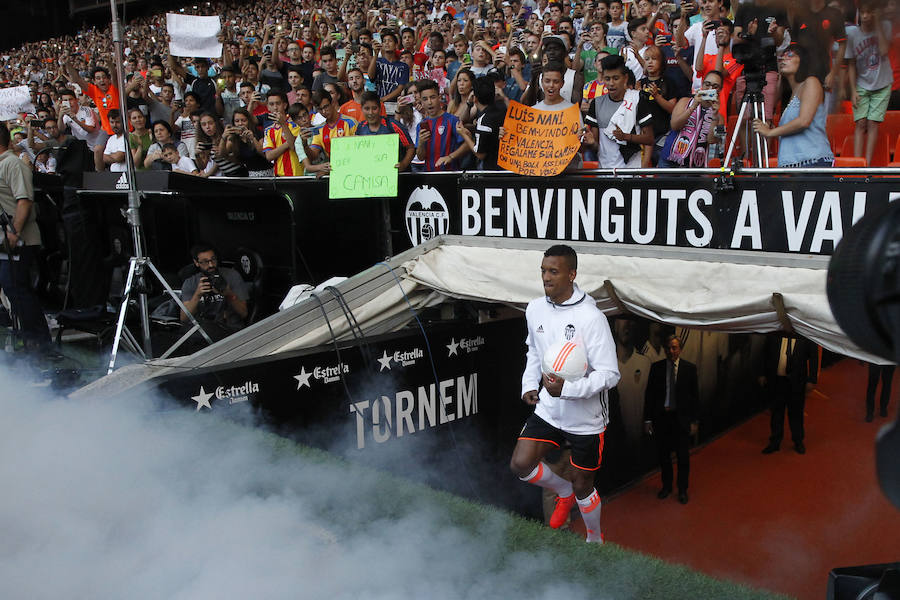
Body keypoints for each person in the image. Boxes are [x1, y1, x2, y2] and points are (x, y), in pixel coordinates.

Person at [509, 244, 620, 544]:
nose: (546, 277)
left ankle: (595, 539)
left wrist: (568, 389)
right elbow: (534, 350)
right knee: (520, 464)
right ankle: (562, 490)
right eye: (543, 271)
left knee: (584, 484)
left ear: (572, 274)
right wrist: (529, 384)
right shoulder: (535, 309)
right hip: (549, 409)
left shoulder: (592, 318)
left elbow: (610, 374)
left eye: (553, 272)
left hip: (585, 418)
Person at [0, 125, 52, 352]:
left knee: (16, 288)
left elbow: (24, 200)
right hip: (5, 241)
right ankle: (21, 339)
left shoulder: (12, 163)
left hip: (18, 240)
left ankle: (39, 344)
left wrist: (14, 232)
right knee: (10, 288)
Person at [752, 44, 834, 168]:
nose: (784, 59)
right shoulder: (791, 95)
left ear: (803, 61)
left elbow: (804, 121)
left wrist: (770, 132)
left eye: (790, 55)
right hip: (792, 165)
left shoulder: (811, 82)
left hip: (812, 163)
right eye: (782, 56)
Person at [643, 335, 699, 505]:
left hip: (681, 419)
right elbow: (649, 395)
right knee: (664, 456)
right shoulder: (656, 368)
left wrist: (695, 421)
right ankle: (666, 486)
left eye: (674, 348)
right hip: (662, 419)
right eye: (668, 348)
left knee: (683, 457)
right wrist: (647, 420)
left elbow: (695, 397)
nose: (671, 351)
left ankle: (682, 490)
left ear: (680, 349)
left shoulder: (689, 369)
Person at [583, 55, 654, 169]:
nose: (611, 83)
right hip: (605, 171)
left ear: (625, 78)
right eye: (607, 79)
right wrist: (590, 143)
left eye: (615, 78)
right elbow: (596, 144)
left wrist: (626, 137)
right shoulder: (597, 103)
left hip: (631, 170)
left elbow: (649, 138)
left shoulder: (637, 99)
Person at [845, 0, 893, 167]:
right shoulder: (851, 33)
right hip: (861, 84)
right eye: (863, 12)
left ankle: (869, 165)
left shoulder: (885, 26)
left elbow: (884, 50)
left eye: (869, 12)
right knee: (860, 123)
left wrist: (878, 23)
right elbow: (850, 64)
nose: (865, 16)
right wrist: (852, 90)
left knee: (873, 123)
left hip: (883, 83)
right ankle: (857, 166)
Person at [178, 242, 249, 351]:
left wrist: (228, 293)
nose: (211, 265)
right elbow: (184, 318)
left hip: (230, 330)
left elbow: (243, 313)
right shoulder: (190, 282)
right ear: (196, 263)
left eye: (213, 260)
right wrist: (197, 295)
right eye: (205, 262)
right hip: (202, 333)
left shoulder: (232, 276)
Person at [760, 335, 819, 455]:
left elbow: (814, 357)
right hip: (777, 380)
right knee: (776, 412)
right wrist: (762, 374)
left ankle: (798, 441)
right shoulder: (775, 334)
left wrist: (811, 380)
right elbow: (764, 354)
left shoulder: (805, 334)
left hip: (797, 381)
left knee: (796, 412)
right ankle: (775, 442)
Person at [355, 92, 415, 171]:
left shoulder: (393, 126)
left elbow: (411, 148)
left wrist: (403, 164)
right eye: (367, 108)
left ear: (380, 108)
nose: (371, 113)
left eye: (374, 108)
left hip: (396, 177)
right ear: (361, 109)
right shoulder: (360, 127)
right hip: (372, 176)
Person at [415, 80, 468, 171]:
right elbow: (421, 157)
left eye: (432, 97)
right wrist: (421, 143)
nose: (429, 102)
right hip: (429, 176)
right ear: (421, 102)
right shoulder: (421, 126)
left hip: (449, 174)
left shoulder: (452, 120)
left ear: (439, 98)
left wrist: (450, 157)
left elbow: (467, 144)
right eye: (425, 99)